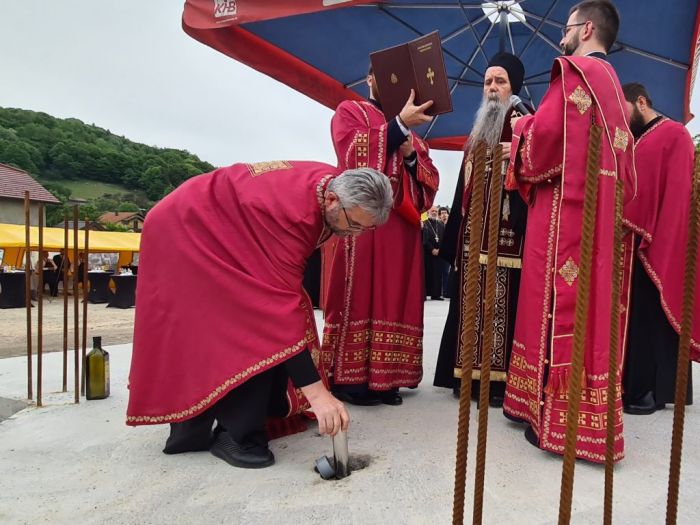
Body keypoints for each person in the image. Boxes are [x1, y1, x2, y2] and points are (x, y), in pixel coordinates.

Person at [126, 160, 393, 469]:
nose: (354, 235)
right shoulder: (294, 218)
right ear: (333, 199)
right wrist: (319, 395)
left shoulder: (329, 186)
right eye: (355, 225)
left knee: (257, 314)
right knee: (253, 321)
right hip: (184, 232)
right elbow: (278, 312)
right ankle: (237, 435)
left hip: (211, 222)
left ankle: (208, 424)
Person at [502, 1, 636, 463]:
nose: (562, 35)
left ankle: (555, 421)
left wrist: (520, 128)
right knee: (587, 313)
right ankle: (572, 416)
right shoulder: (615, 87)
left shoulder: (574, 71)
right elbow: (624, 162)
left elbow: (544, 144)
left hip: (562, 218)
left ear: (587, 29)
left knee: (553, 307)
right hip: (596, 223)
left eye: (566, 27)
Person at [321, 65, 440, 406]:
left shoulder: (416, 135)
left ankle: (388, 379)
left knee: (396, 297)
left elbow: (430, 181)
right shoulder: (351, 111)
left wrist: (411, 154)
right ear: (371, 79)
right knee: (359, 292)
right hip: (361, 224)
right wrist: (398, 127)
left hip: (401, 227)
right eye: (383, 77)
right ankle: (350, 379)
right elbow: (351, 155)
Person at [433, 52, 528, 408]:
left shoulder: (524, 123)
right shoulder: (477, 128)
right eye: (488, 81)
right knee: (470, 304)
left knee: (501, 307)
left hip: (508, 239)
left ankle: (497, 383)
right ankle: (467, 377)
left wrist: (518, 152)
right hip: (473, 237)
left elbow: (540, 170)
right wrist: (452, 240)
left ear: (512, 86)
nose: (491, 88)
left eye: (499, 81)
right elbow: (463, 191)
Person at [621, 83, 696, 414]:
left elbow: (678, 195)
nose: (623, 119)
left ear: (641, 101)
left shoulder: (675, 134)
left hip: (661, 240)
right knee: (634, 316)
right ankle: (632, 382)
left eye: (625, 111)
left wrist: (658, 234)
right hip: (633, 240)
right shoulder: (635, 140)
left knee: (654, 314)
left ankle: (654, 389)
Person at [423, 206, 445, 300]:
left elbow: (444, 239)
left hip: (439, 253)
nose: (434, 212)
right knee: (427, 273)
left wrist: (440, 249)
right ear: (428, 212)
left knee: (437, 274)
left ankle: (436, 294)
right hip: (427, 253)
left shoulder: (440, 224)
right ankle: (425, 293)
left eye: (436, 211)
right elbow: (424, 239)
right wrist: (432, 249)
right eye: (433, 211)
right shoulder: (425, 223)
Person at [438, 206, 451, 298]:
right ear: (439, 216)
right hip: (437, 252)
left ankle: (446, 291)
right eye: (442, 213)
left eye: (445, 213)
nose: (444, 215)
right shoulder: (436, 225)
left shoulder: (450, 226)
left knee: (446, 272)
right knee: (438, 272)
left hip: (447, 252)